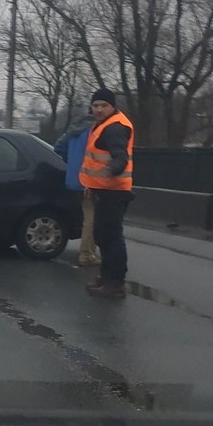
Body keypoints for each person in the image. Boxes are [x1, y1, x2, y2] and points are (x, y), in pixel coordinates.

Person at [79, 87, 134, 298]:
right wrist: (92, 185)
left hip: (114, 190)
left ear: (113, 106)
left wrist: (111, 169)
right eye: (96, 105)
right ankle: (107, 277)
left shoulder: (115, 128)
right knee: (103, 235)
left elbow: (120, 156)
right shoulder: (103, 125)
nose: (99, 109)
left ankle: (116, 282)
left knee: (111, 237)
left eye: (104, 105)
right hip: (104, 189)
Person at [53, 112, 100, 268]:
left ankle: (89, 251)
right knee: (91, 218)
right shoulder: (94, 131)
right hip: (89, 178)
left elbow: (58, 148)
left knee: (87, 215)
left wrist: (71, 160)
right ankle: (86, 253)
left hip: (73, 179)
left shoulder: (72, 131)